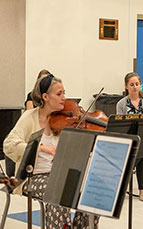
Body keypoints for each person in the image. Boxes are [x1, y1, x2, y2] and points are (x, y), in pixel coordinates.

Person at [3, 74, 99, 228]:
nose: (64, 98)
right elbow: (9, 145)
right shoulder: (30, 117)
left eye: (64, 93)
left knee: (91, 191)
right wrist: (42, 148)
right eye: (59, 94)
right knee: (59, 190)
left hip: (59, 173)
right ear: (45, 96)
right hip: (32, 177)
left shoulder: (63, 120)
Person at [116, 72, 143, 202]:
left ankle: (124, 181)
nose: (135, 87)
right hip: (129, 139)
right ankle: (142, 189)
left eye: (137, 84)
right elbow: (120, 125)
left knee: (141, 149)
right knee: (140, 152)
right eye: (132, 85)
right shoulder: (121, 104)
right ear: (126, 86)